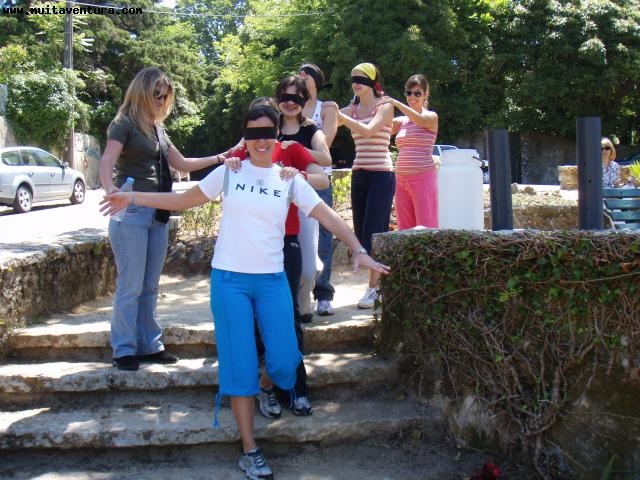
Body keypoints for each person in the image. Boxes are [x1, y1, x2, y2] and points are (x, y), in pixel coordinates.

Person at [100, 105, 389, 480]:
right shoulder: (230, 172)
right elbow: (183, 200)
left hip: (271, 281)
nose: (260, 141)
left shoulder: (289, 178)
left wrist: (359, 248)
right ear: (244, 138)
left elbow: (327, 215)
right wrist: (134, 197)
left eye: (267, 133)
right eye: (252, 135)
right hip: (230, 281)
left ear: (277, 135)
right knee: (239, 367)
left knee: (285, 361)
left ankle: (264, 386)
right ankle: (250, 450)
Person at [98, 67, 224, 371]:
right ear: (142, 92)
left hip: (158, 211)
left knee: (150, 285)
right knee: (131, 284)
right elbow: (107, 160)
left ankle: (149, 345)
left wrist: (222, 158)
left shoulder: (157, 129)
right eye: (156, 94)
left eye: (165, 95)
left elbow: (182, 163)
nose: (160, 99)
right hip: (131, 211)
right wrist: (111, 189)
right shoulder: (124, 123)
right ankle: (124, 349)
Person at [223, 94, 329, 418]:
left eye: (268, 127)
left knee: (289, 317)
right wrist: (231, 162)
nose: (261, 137)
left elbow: (323, 178)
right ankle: (265, 387)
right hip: (249, 251)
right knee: (253, 323)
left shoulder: (292, 150)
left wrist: (298, 176)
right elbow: (222, 173)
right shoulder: (243, 154)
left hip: (287, 242)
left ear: (277, 128)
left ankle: (296, 387)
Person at [338, 62, 395, 309]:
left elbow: (370, 131)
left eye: (361, 79)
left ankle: (374, 288)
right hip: (359, 174)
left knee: (375, 232)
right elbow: (320, 123)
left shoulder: (385, 106)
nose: (356, 83)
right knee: (361, 234)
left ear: (372, 82)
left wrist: (340, 116)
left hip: (381, 175)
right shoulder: (351, 109)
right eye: (353, 79)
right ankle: (375, 285)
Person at [276, 75, 332, 324]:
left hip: (302, 205)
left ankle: (303, 303)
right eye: (285, 97)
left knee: (309, 268)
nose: (290, 102)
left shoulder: (310, 129)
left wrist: (295, 149)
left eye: (296, 98)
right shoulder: (269, 124)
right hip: (272, 206)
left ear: (305, 101)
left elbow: (325, 158)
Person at [299, 63, 339, 317]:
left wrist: (294, 148)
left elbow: (326, 144)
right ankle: (300, 294)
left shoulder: (327, 108)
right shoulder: (288, 106)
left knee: (324, 233)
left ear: (317, 80)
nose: (302, 75)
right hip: (291, 179)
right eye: (299, 73)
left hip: (318, 179)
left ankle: (323, 293)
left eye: (307, 73)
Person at [384, 74, 439, 229]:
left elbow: (419, 120)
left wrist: (395, 103)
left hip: (422, 178)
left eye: (417, 93)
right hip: (401, 181)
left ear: (425, 94)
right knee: (404, 228)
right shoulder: (401, 121)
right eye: (409, 92)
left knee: (426, 227)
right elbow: (379, 127)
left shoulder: (431, 117)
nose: (412, 97)